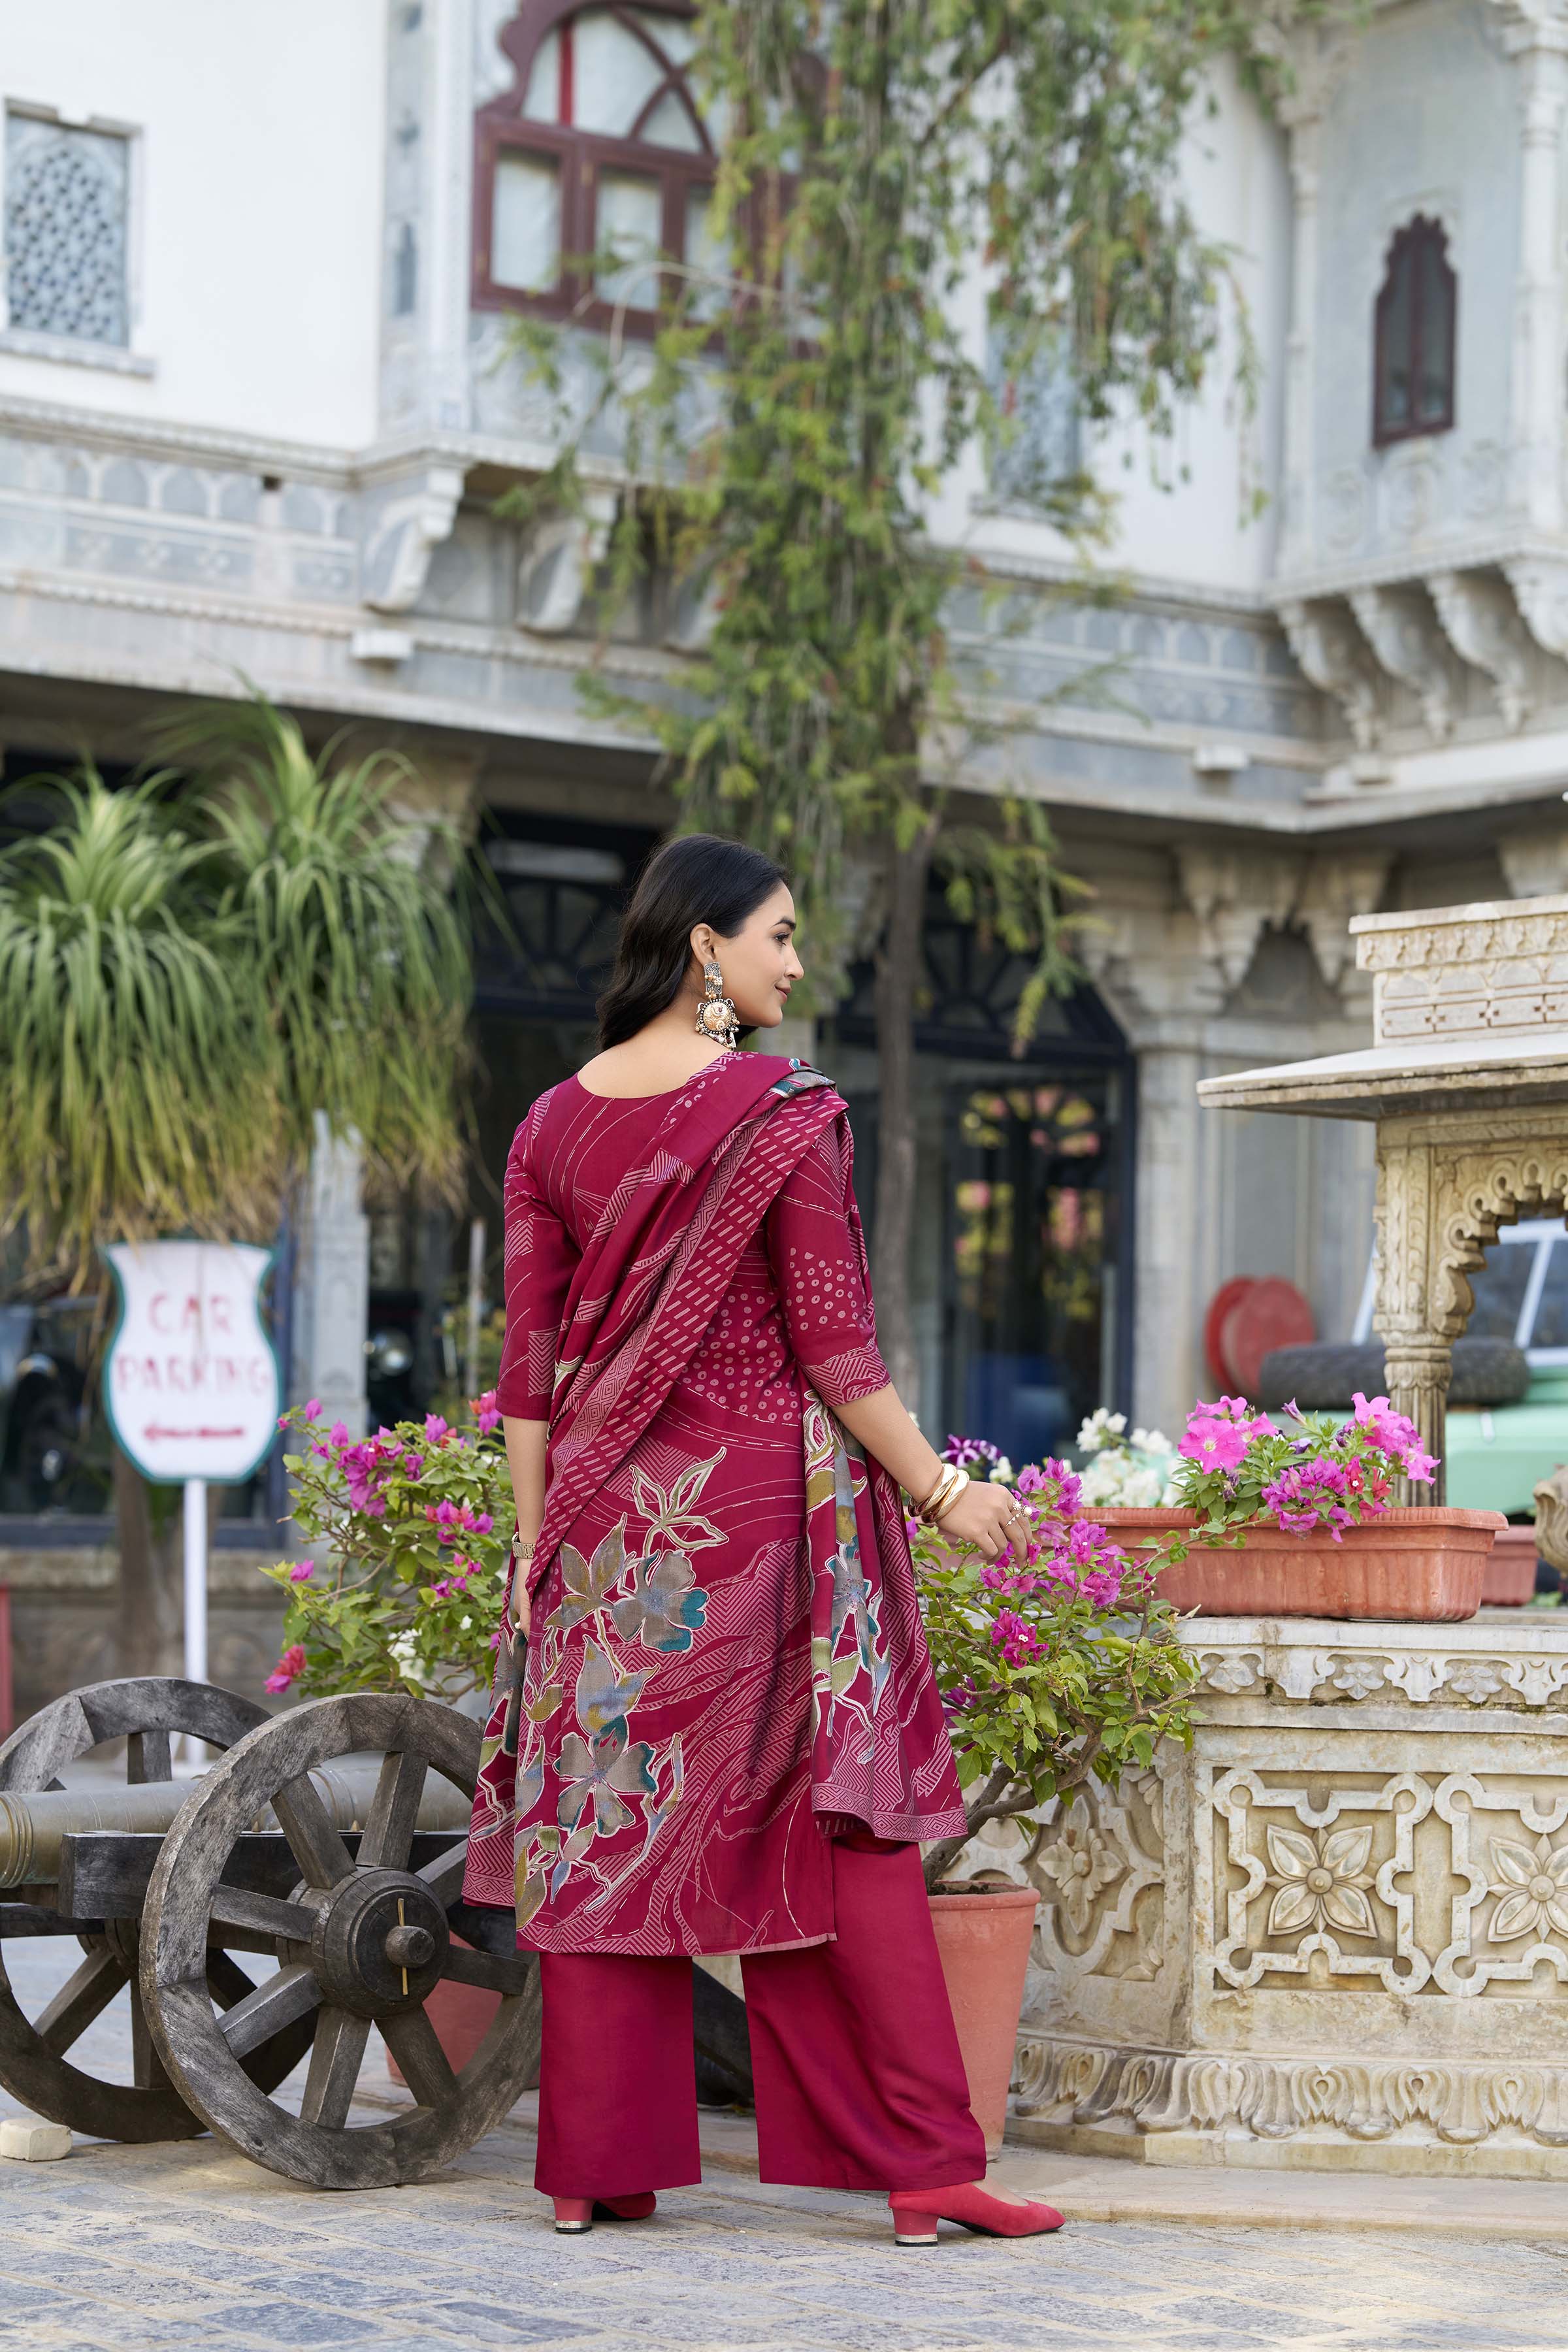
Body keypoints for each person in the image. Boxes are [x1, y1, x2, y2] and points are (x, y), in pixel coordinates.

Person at [463, 833, 1063, 2249]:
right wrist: (939, 1492)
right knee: (832, 1825)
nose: (795, 964)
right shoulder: (782, 1116)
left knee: (608, 1822)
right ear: (705, 950)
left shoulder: (548, 1121)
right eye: (779, 936)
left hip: (608, 1538)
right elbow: (840, 1351)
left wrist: (535, 1546)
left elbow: (529, 1375)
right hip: (758, 1530)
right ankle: (924, 2168)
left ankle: (589, 2170)